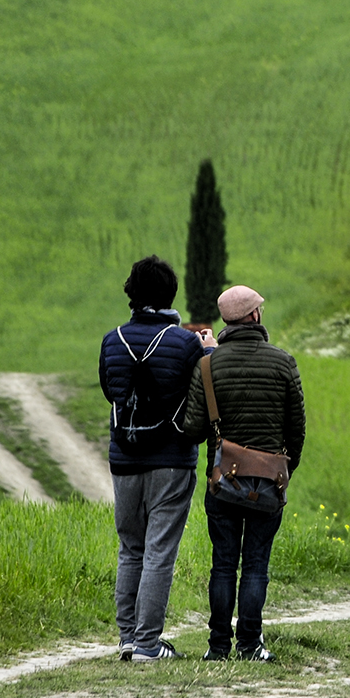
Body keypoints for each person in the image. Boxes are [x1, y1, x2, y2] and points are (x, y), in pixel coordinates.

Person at [99, 255, 215, 662]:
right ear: (171, 294)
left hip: (124, 457)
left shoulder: (112, 339)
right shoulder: (186, 343)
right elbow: (203, 394)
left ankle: (128, 638)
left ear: (131, 293)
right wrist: (209, 353)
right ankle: (149, 644)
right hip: (171, 458)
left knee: (130, 548)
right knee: (159, 550)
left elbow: (109, 392)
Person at [182, 284, 305, 662]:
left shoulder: (207, 365)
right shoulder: (283, 362)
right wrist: (284, 469)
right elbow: (296, 429)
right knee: (255, 565)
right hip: (269, 483)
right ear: (253, 316)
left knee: (223, 563)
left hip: (222, 484)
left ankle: (217, 646)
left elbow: (191, 429)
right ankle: (250, 645)